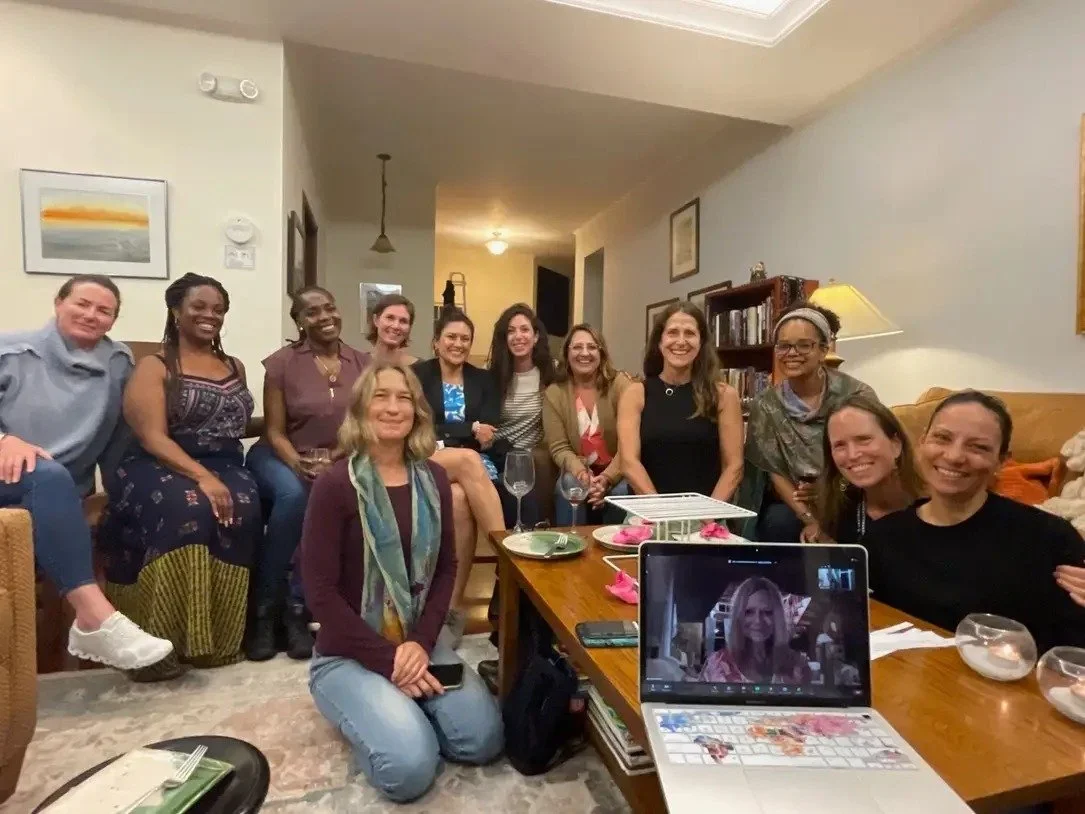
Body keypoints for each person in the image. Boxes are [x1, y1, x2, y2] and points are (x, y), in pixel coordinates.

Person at [302, 360, 503, 802]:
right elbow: (319, 593)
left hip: (418, 640)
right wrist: (389, 659)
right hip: (348, 652)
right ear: (360, 409)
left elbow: (447, 568)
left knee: (483, 741)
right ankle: (387, 710)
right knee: (410, 770)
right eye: (381, 396)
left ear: (418, 411)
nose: (394, 407)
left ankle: (406, 705)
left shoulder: (432, 477)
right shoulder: (335, 485)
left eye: (404, 398)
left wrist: (418, 644)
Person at [0, 275, 173, 672]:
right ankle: (94, 616)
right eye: (82, 304)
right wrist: (5, 439)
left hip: (60, 489)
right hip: (10, 473)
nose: (92, 315)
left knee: (54, 478)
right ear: (59, 303)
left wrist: (122, 494)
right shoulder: (10, 350)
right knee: (47, 475)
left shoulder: (118, 364)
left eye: (104, 310)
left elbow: (116, 439)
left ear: (113, 320)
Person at [100, 274, 261, 680]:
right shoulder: (154, 366)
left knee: (244, 505)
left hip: (224, 462)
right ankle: (158, 647)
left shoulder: (233, 365)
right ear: (176, 311)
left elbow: (234, 425)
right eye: (200, 307)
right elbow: (152, 436)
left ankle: (217, 643)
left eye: (218, 309)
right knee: (184, 508)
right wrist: (201, 477)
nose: (210, 315)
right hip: (159, 462)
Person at [864, 390, 1085, 653]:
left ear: (1002, 460)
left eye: (978, 447)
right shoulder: (881, 539)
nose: (955, 456)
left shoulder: (1051, 540)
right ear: (922, 441)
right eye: (942, 438)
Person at [244, 285, 371, 661]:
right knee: (294, 495)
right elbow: (275, 431)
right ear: (299, 321)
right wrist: (298, 463)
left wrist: (333, 457)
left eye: (330, 308)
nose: (325, 317)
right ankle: (266, 611)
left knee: (330, 497)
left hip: (338, 455)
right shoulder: (281, 363)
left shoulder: (362, 363)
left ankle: (298, 610)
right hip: (279, 456)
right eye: (313, 312)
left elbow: (363, 424)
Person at [741, 302, 875, 542]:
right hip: (794, 500)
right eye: (784, 346)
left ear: (824, 349)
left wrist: (832, 487)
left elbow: (870, 454)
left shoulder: (855, 395)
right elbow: (773, 471)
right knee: (777, 522)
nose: (792, 353)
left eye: (804, 345)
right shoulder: (766, 404)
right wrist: (810, 520)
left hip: (851, 489)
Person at [413, 308, 503, 642]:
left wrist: (468, 432)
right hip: (426, 455)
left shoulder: (484, 379)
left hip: (470, 466)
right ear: (436, 342)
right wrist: (468, 428)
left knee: (461, 500)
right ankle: (508, 560)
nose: (458, 344)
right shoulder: (417, 375)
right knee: (466, 459)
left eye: (465, 338)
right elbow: (419, 423)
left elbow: (490, 426)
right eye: (451, 337)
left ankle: (450, 611)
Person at [617, 301, 743, 500]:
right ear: (659, 342)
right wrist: (662, 512)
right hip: (649, 514)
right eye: (673, 332)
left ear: (701, 343)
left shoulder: (725, 395)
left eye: (690, 333)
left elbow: (734, 467)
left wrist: (707, 515)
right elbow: (629, 462)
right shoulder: (635, 393)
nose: (681, 341)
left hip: (705, 517)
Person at [543, 323, 631, 525]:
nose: (585, 353)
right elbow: (559, 447)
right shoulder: (554, 393)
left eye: (592, 347)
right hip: (578, 470)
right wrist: (581, 473)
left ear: (601, 353)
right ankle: (570, 548)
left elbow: (630, 442)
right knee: (567, 485)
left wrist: (607, 479)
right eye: (577, 347)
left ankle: (616, 551)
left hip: (620, 468)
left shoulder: (621, 385)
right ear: (567, 352)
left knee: (619, 493)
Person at [815, 395, 923, 543]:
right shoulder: (839, 512)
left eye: (864, 439)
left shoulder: (935, 503)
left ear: (896, 444)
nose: (852, 455)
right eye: (840, 445)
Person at [487, 303, 554, 528]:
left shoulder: (550, 374)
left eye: (524, 330)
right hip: (499, 455)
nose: (518, 336)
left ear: (535, 337)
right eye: (511, 331)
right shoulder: (493, 377)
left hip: (533, 457)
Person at [699, 576, 809, 683]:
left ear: (777, 617)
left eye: (767, 612)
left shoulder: (797, 663)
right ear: (739, 616)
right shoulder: (716, 664)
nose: (758, 621)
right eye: (749, 612)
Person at [368, 292, 418, 366]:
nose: (396, 326)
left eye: (403, 321)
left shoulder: (421, 369)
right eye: (390, 318)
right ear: (376, 320)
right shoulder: (358, 364)